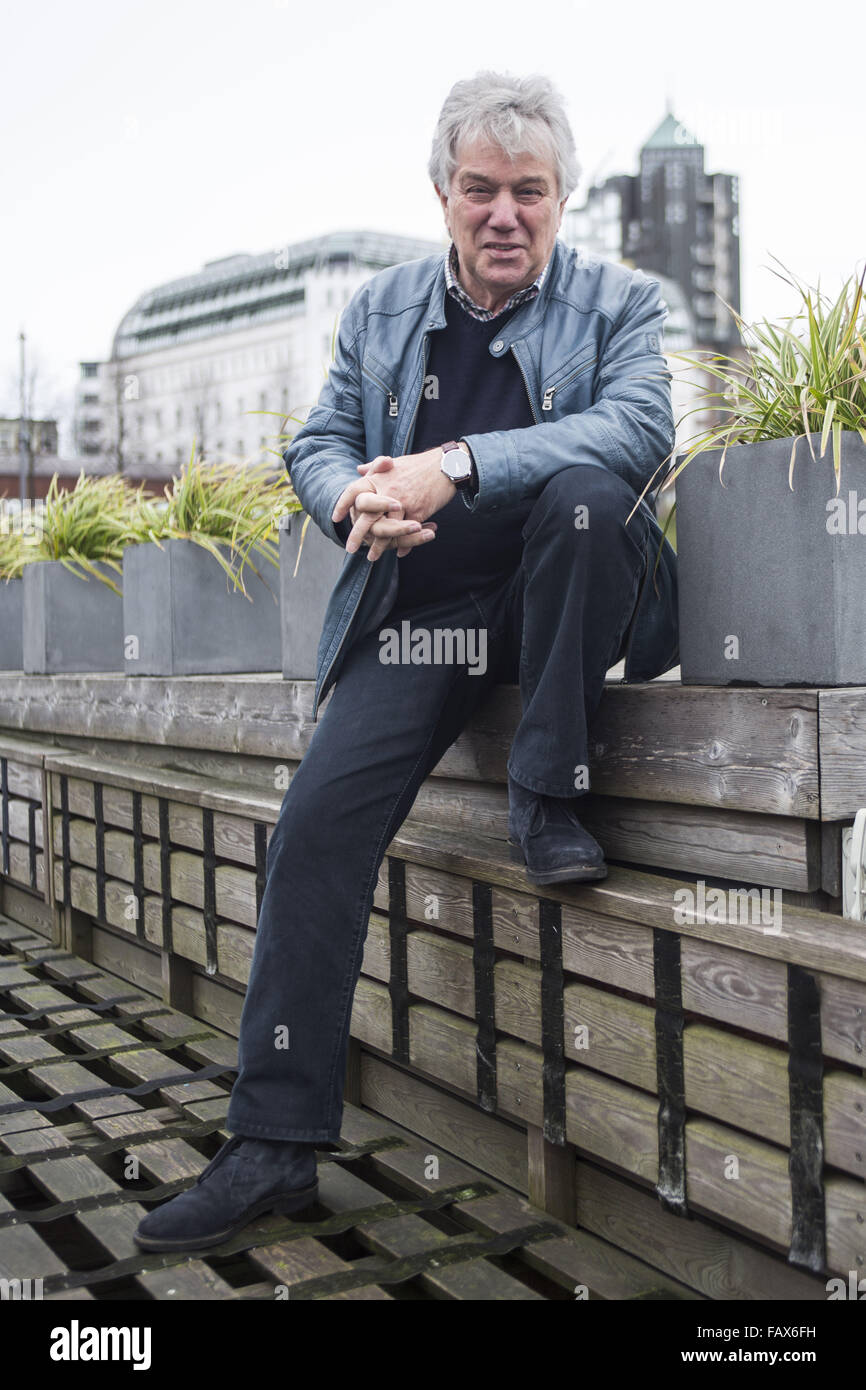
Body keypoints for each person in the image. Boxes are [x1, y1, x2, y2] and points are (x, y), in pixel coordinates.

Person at [133, 70, 678, 1253]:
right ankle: (274, 1142)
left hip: (563, 606)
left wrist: (456, 462)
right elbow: (316, 437)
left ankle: (547, 792)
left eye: (527, 193)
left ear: (560, 199)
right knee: (317, 823)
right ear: (441, 193)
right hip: (423, 616)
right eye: (477, 189)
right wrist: (355, 499)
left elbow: (639, 428)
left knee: (586, 498)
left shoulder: (619, 305)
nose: (502, 215)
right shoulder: (379, 310)